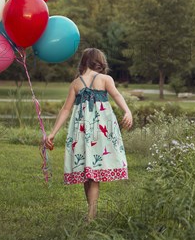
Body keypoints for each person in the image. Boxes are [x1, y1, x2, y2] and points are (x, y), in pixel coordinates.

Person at [45, 48, 132, 222]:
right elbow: (116, 95)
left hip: (82, 131)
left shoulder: (76, 83)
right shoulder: (105, 79)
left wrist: (52, 133)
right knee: (91, 172)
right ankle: (91, 214)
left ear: (83, 62)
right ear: (99, 62)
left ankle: (91, 213)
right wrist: (127, 111)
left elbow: (66, 110)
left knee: (88, 171)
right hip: (100, 129)